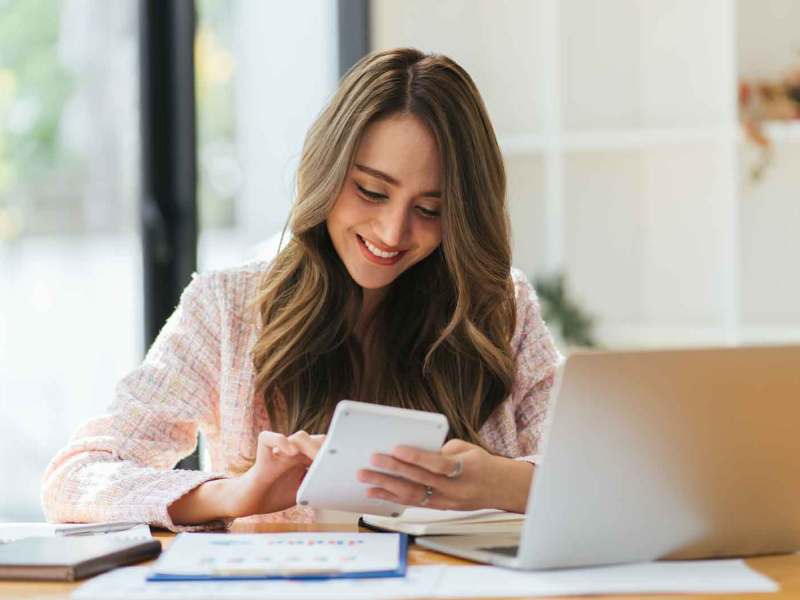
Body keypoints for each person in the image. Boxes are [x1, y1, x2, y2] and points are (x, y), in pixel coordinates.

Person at [41, 48, 561, 530]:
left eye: (431, 210)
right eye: (371, 191)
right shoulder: (230, 310)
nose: (392, 232)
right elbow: (78, 477)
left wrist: (503, 482)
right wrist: (234, 494)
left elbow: (597, 476)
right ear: (326, 173)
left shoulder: (499, 310)